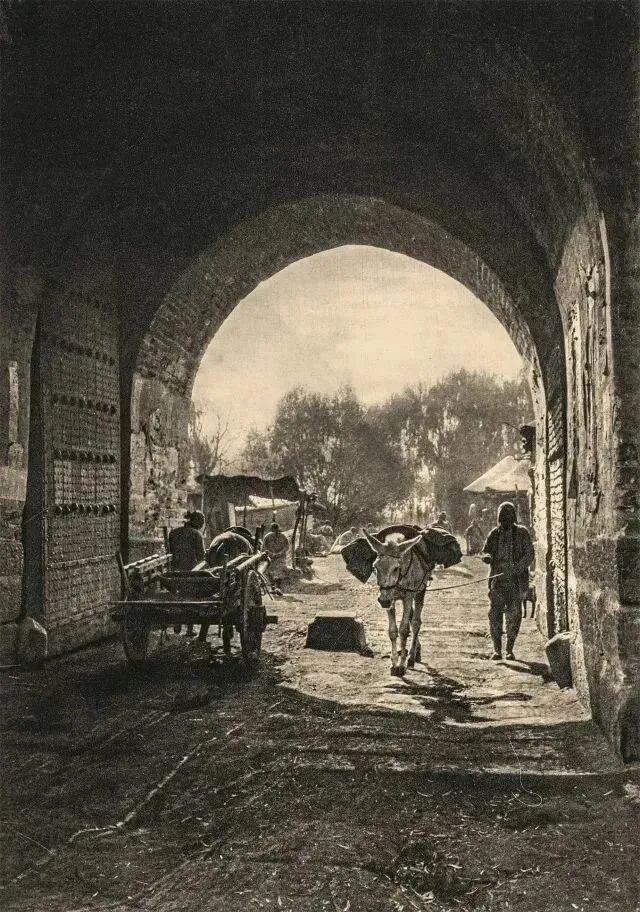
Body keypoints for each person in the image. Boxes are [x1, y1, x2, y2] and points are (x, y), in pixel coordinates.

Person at [481, 502, 534, 661]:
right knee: (494, 615)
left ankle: (509, 649)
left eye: (508, 519)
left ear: (513, 518)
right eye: (502, 519)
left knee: (514, 615)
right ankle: (497, 650)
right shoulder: (494, 534)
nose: (505, 523)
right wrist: (487, 557)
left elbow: (529, 555)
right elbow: (485, 551)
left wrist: (517, 568)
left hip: (516, 583)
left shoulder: (522, 533)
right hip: (497, 581)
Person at [168, 510, 206, 638]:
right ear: (197, 522)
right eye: (202, 522)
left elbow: (171, 552)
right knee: (191, 598)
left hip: (174, 571)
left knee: (176, 596)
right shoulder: (197, 534)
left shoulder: (174, 533)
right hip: (191, 571)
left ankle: (176, 622)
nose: (202, 525)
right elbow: (201, 556)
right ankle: (189, 630)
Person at [263, 521, 290, 586]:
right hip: (270, 557)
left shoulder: (283, 536)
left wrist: (280, 553)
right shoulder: (267, 536)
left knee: (280, 571)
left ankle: (278, 585)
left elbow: (287, 546)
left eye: (276, 530)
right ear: (271, 529)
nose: (275, 532)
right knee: (270, 571)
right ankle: (272, 584)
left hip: (280, 557)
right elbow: (264, 547)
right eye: (273, 530)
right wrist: (271, 553)